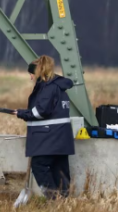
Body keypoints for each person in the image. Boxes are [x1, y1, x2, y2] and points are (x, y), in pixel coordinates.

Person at [16, 55, 75, 198]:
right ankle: (65, 203)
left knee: (39, 166)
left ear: (38, 72)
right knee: (59, 169)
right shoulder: (59, 86)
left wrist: (21, 113)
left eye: (31, 74)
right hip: (61, 139)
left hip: (48, 138)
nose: (30, 77)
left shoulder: (47, 88)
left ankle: (54, 200)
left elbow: (41, 111)